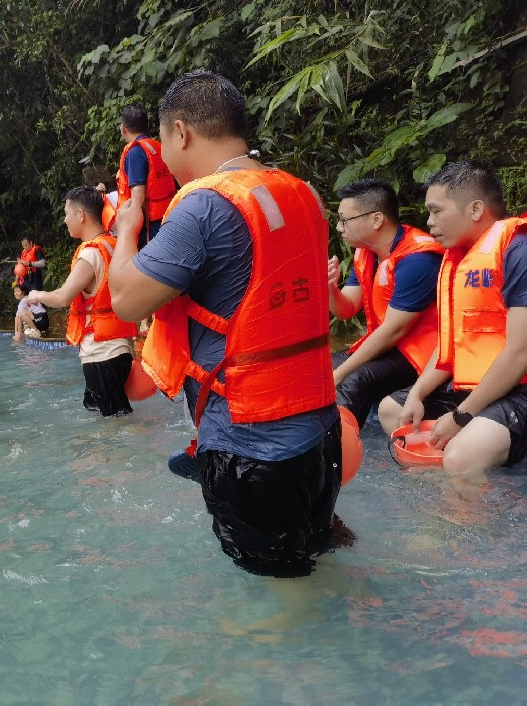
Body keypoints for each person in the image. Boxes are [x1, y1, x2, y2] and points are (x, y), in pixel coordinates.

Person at [108, 70, 340, 576]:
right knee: (315, 560)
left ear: (181, 132)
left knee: (275, 597)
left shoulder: (204, 206)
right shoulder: (302, 193)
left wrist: (127, 230)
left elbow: (125, 299)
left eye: (164, 140)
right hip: (320, 424)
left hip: (251, 444)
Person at [378, 161, 527, 474]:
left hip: (519, 389)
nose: (429, 222)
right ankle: (442, 499)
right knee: (394, 411)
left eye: (436, 211)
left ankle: (471, 510)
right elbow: (453, 345)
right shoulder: (459, 257)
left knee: (461, 456)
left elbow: (520, 352)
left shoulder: (518, 249)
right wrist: (417, 393)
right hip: (473, 386)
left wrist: (461, 416)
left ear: (475, 209)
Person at [328, 179, 444, 426]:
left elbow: (393, 331)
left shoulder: (418, 260)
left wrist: (340, 373)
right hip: (389, 345)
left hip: (419, 354)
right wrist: (329, 288)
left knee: (353, 378)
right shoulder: (366, 251)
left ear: (376, 220)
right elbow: (347, 308)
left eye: (344, 220)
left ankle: (338, 449)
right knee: (323, 365)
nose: (339, 227)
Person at [28, 186, 137, 416]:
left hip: (101, 352)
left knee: (115, 422)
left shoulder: (90, 254)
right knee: (106, 412)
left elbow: (62, 296)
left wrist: (36, 295)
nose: (65, 219)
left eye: (67, 213)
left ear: (80, 215)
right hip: (120, 345)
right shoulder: (114, 244)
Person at [116, 104, 177, 246]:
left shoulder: (135, 152)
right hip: (168, 213)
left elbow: (138, 194)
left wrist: (129, 227)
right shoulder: (156, 146)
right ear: (147, 125)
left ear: (123, 128)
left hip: (150, 226)